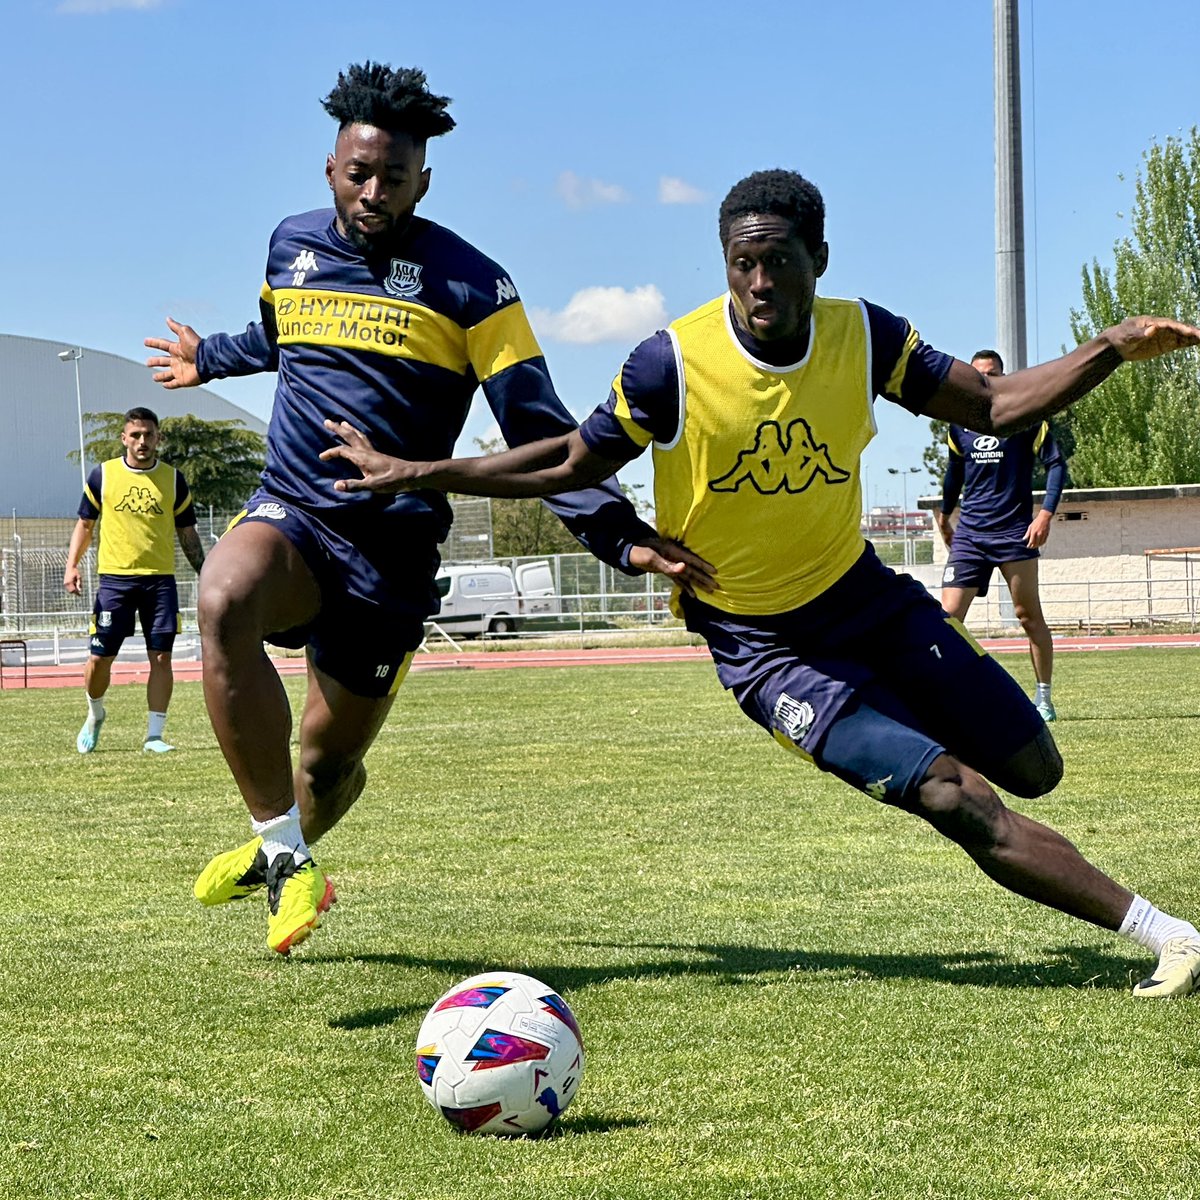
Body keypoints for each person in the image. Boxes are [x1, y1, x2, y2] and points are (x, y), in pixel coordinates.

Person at [322, 169, 1200, 999]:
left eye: (778, 260)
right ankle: (1168, 935)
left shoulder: (867, 337)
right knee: (952, 794)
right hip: (765, 649)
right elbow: (566, 459)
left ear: (818, 258)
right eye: (741, 263)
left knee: (1034, 767)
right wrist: (416, 471)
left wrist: (1114, 345)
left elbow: (995, 405)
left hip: (867, 600)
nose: (759, 282)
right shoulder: (671, 362)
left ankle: (915, 718)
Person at [142, 62, 705, 956]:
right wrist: (207, 358)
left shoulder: (475, 287)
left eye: (392, 179)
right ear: (330, 167)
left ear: (423, 181)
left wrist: (620, 536)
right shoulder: (290, 244)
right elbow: (278, 329)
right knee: (222, 595)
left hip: (394, 555)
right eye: (357, 174)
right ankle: (283, 851)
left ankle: (291, 843)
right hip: (294, 512)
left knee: (329, 769)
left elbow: (544, 432)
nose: (372, 192)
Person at [63, 407, 206, 755]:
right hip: (115, 582)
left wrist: (208, 571)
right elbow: (85, 524)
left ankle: (154, 736)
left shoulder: (174, 479)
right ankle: (95, 714)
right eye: (136, 435)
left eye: (149, 435)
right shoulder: (104, 475)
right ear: (124, 438)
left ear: (159, 438)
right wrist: (72, 566)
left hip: (160, 583)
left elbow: (187, 533)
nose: (142, 441)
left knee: (161, 658)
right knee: (100, 658)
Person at [934, 350, 1066, 721]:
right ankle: (950, 695)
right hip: (971, 535)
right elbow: (953, 475)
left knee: (1028, 616)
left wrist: (1045, 515)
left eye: (992, 374)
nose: (985, 380)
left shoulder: (1025, 417)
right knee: (946, 620)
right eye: (979, 375)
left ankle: (1043, 699)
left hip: (1013, 533)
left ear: (1003, 376)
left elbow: (1056, 465)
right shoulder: (958, 422)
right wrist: (945, 517)